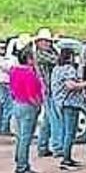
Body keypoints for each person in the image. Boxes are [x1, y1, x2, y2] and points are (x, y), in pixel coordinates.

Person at [51, 47, 86, 170]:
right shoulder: (68, 69)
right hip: (70, 103)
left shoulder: (56, 69)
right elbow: (70, 85)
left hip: (61, 102)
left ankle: (67, 157)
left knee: (67, 131)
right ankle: (66, 159)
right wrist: (85, 84)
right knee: (70, 132)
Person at [8, 47, 44, 173]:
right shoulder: (29, 74)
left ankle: (20, 162)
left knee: (20, 136)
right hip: (28, 105)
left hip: (18, 103)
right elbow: (31, 94)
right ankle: (22, 165)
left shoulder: (14, 71)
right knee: (25, 137)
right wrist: (38, 105)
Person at [34, 29, 63, 158]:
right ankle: (57, 146)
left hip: (51, 89)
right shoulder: (40, 55)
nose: (46, 43)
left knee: (47, 119)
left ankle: (42, 146)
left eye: (48, 41)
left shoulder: (49, 52)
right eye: (44, 41)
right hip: (48, 89)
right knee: (55, 118)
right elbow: (57, 60)